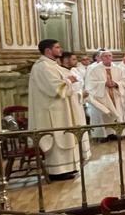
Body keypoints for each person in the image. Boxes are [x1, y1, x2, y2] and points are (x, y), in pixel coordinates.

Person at [28, 39, 91, 180]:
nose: (60, 49)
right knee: (58, 139)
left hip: (61, 110)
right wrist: (70, 81)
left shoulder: (52, 65)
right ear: (48, 50)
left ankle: (66, 169)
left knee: (65, 137)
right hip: (52, 112)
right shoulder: (43, 67)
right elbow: (55, 89)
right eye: (57, 47)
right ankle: (57, 172)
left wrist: (71, 83)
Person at [85, 50, 125, 140]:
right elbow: (90, 84)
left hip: (116, 95)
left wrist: (116, 84)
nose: (108, 57)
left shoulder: (119, 69)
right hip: (102, 96)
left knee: (118, 113)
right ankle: (104, 135)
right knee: (103, 115)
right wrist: (104, 84)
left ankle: (117, 133)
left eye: (109, 56)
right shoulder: (94, 69)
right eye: (105, 56)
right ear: (101, 58)